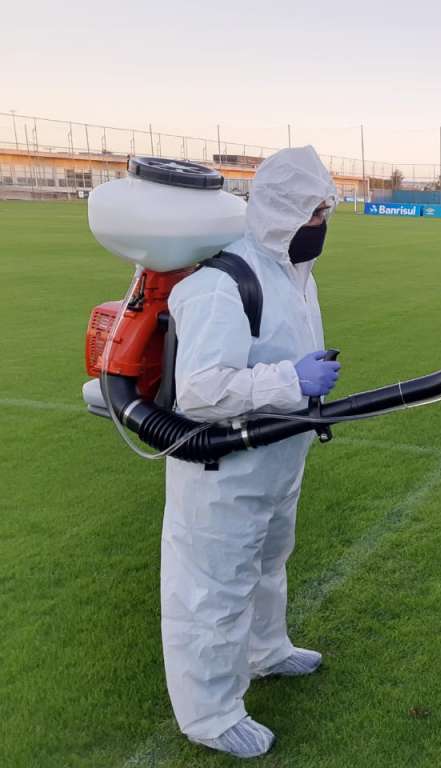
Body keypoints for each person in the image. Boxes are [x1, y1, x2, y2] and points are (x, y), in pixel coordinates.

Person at [161, 146, 342, 758]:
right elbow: (201, 389)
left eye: (326, 211)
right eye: (316, 213)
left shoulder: (294, 275)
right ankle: (210, 715)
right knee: (214, 588)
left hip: (275, 458)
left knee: (268, 563)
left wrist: (297, 384)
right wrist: (294, 381)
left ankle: (268, 651)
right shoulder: (222, 283)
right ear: (286, 213)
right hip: (224, 470)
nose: (323, 224)